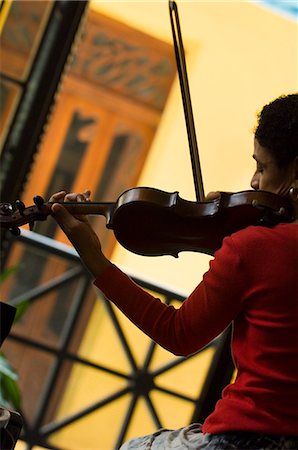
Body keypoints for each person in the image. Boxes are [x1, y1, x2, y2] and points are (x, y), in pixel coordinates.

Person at [50, 93, 298, 449]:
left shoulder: (255, 247)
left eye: (263, 166)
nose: (254, 181)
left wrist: (96, 259)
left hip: (247, 437)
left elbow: (178, 334)